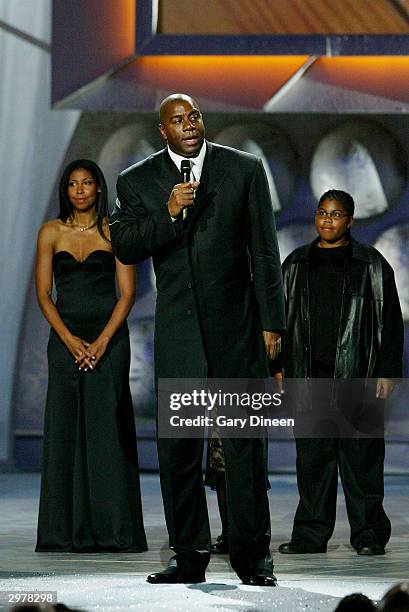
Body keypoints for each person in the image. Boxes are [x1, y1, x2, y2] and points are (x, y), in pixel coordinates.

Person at [109, 93, 285, 585]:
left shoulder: (244, 169)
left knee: (245, 447)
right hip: (179, 334)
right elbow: (123, 242)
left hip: (237, 331)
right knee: (179, 451)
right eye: (178, 120)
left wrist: (273, 325)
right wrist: (167, 213)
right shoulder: (137, 180)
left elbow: (265, 252)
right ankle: (188, 554)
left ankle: (254, 556)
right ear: (162, 130)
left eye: (194, 116)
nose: (189, 125)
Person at [277, 189, 403, 556]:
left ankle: (368, 536)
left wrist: (387, 370)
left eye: (335, 214)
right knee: (313, 463)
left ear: (350, 220)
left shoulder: (372, 264)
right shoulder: (296, 264)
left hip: (358, 376)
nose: (327, 220)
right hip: (308, 377)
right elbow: (279, 323)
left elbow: (390, 322)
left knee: (362, 463)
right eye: (321, 212)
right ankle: (310, 536)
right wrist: (279, 367)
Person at [35, 159, 147, 552]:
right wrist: (69, 340)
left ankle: (114, 530)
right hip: (65, 343)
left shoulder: (115, 231)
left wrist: (100, 342)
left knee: (107, 432)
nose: (80, 190)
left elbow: (128, 293)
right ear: (65, 191)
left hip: (110, 341)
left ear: (99, 188)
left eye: (87, 183)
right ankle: (64, 531)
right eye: (72, 184)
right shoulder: (50, 232)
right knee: (65, 430)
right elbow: (44, 295)